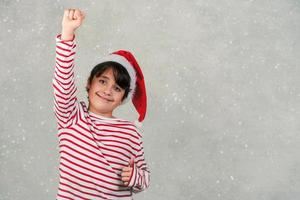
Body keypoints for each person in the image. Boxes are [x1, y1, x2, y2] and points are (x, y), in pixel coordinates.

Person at [53, 8, 150, 199]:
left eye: (117, 88)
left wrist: (135, 177)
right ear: (89, 84)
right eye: (103, 81)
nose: (107, 90)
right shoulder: (72, 116)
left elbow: (144, 180)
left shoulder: (130, 131)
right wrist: (67, 33)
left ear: (123, 98)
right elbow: (63, 82)